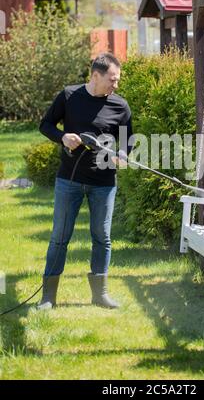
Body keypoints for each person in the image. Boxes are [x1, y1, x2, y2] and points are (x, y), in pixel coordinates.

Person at [37, 53, 133, 310]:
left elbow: (128, 141)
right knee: (60, 236)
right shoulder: (69, 96)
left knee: (102, 236)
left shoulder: (120, 106)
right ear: (95, 76)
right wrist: (62, 137)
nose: (116, 85)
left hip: (104, 183)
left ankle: (100, 295)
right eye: (112, 80)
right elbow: (45, 125)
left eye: (117, 80)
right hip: (69, 181)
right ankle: (48, 297)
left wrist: (123, 155)